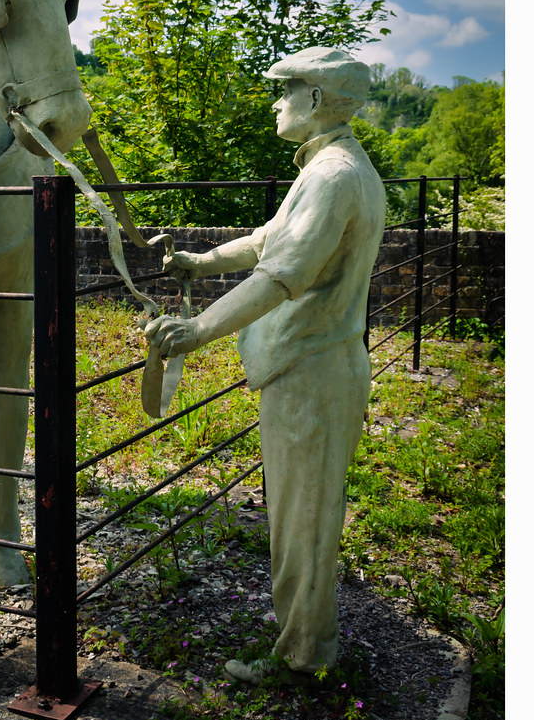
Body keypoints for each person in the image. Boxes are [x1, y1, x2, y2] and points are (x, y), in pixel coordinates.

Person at [144, 46, 386, 679]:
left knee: (303, 522)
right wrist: (201, 262)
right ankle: (307, 646)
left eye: (286, 91)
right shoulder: (333, 168)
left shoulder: (331, 177)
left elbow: (280, 274)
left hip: (312, 370)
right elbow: (266, 241)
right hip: (316, 365)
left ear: (315, 99)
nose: (277, 103)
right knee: (302, 513)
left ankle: (304, 658)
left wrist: (197, 329)